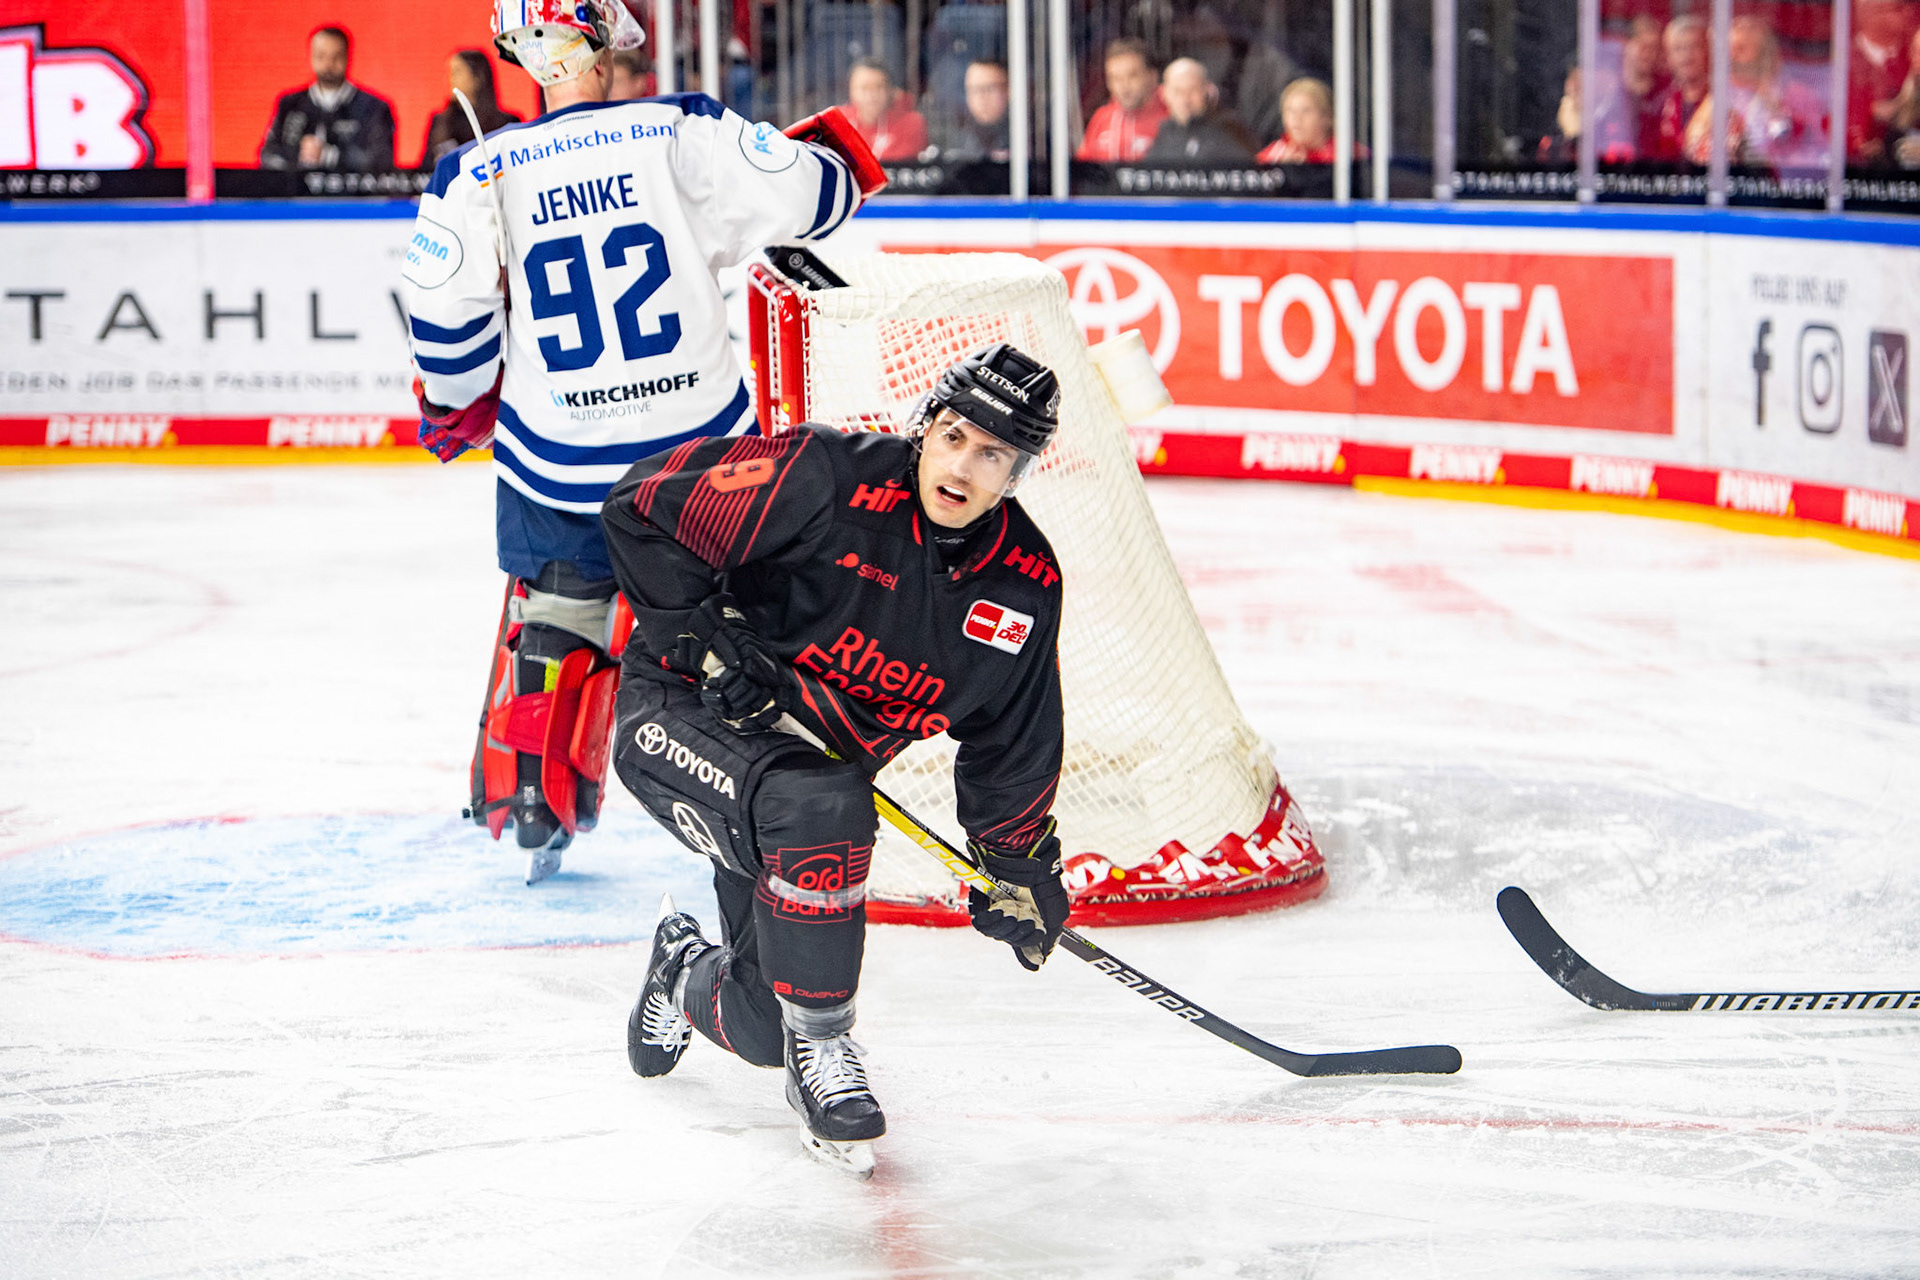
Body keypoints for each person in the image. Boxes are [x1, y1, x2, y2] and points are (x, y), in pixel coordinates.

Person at [401, 0, 883, 885]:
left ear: (517, 54)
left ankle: (537, 806)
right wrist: (832, 162)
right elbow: (817, 198)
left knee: (557, 624)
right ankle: (788, 818)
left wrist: (464, 400)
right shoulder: (679, 129)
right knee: (745, 640)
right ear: (605, 45)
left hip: (557, 468)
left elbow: (445, 342)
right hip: (701, 470)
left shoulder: (471, 172)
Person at [602, 343, 1070, 1178]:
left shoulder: (1023, 588)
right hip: (679, 711)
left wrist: (1020, 867)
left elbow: (1013, 741)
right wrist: (705, 637)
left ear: (1020, 472)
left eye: (994, 454)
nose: (964, 466)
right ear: (926, 426)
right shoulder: (827, 475)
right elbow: (641, 508)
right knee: (827, 807)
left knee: (756, 1023)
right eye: (956, 435)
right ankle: (827, 1054)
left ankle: (680, 968)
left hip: (794, 788)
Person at [259, 25, 396, 172]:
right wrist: (295, 159)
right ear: (311, 56)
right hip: (296, 192)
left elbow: (382, 162)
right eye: (321, 56)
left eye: (336, 56)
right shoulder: (290, 104)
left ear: (348, 57)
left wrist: (330, 156)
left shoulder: (374, 107)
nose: (328, 64)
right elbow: (267, 155)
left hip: (351, 194)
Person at [1143, 57, 1257, 164]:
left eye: (1192, 90)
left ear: (1206, 91)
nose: (1185, 99)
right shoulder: (1166, 131)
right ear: (1165, 94)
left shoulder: (1229, 129)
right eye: (1177, 91)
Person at [420, 50, 521, 171]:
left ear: (478, 76)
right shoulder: (440, 122)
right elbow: (425, 171)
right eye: (449, 72)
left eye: (457, 72)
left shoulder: (507, 123)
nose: (451, 79)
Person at [1077, 38, 1168, 161]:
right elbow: (1083, 170)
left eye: (1132, 76)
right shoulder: (1102, 117)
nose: (1123, 86)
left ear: (1152, 76)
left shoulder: (1171, 115)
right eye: (1115, 78)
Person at [843, 58, 928, 162]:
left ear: (890, 90)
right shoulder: (837, 122)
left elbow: (903, 165)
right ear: (851, 91)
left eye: (878, 87)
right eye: (864, 88)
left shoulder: (911, 123)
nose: (871, 96)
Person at [1652, 15, 1711, 163]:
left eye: (1694, 46)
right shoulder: (1658, 105)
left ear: (1707, 50)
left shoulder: (1726, 102)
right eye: (1678, 49)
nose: (1687, 55)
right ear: (1668, 57)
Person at [937, 59, 1011, 162]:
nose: (981, 97)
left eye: (989, 89)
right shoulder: (955, 141)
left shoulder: (1025, 136)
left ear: (1008, 90)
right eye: (973, 90)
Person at [1257, 76, 1335, 163]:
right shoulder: (1272, 157)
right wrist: (1284, 169)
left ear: (1327, 117)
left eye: (1306, 111)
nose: (1296, 118)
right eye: (1290, 111)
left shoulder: (1344, 153)